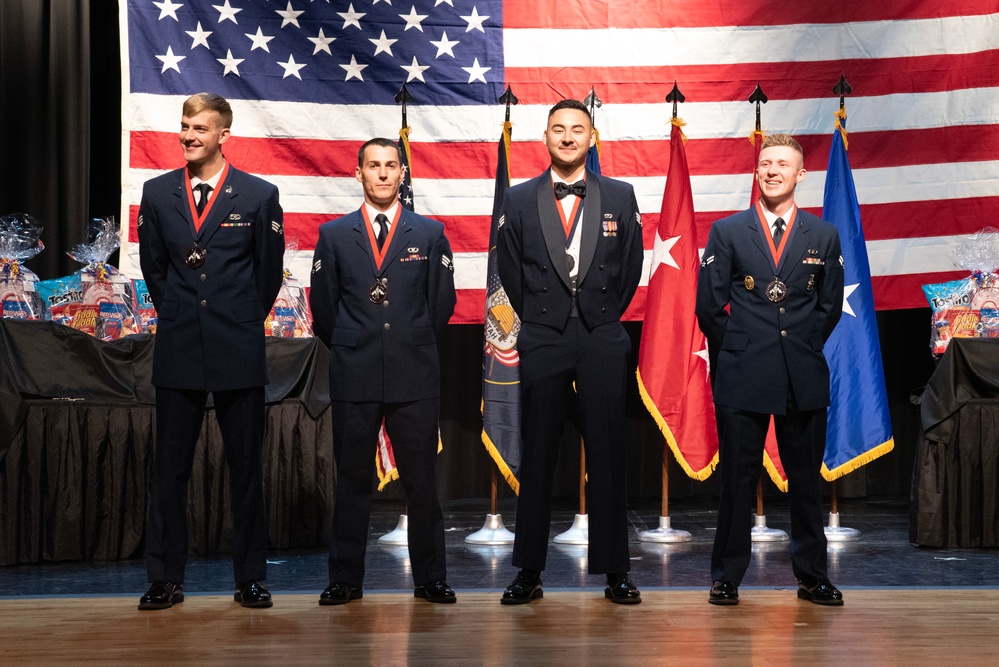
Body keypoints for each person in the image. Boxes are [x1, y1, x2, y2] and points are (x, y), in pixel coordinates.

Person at [137, 93, 285, 610]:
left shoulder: (259, 195)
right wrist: (182, 316)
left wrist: (237, 320)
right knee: (170, 471)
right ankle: (164, 578)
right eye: (184, 126)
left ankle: (249, 578)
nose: (188, 135)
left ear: (225, 135)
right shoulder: (156, 195)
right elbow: (155, 271)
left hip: (237, 348)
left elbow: (266, 277)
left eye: (200, 128)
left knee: (245, 470)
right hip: (179, 348)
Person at [496, 99, 645, 605]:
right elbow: (512, 274)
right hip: (542, 335)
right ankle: (528, 572)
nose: (567, 137)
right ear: (544, 137)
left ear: (592, 136)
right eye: (558, 129)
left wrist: (600, 318)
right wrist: (544, 319)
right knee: (536, 454)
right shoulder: (517, 200)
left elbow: (629, 270)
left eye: (576, 129)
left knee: (607, 452)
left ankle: (616, 573)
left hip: (602, 336)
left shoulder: (622, 196)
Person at [695, 133, 845, 606]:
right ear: (756, 173)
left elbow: (829, 308)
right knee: (737, 482)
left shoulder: (823, 236)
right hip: (743, 373)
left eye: (782, 164)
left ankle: (812, 576)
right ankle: (726, 576)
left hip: (802, 374)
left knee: (805, 482)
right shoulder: (729, 231)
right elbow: (708, 306)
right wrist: (739, 350)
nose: (772, 171)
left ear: (801, 174)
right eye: (765, 164)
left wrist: (798, 347)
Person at [309, 138, 457, 605]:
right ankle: (345, 579)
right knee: (353, 480)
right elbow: (325, 310)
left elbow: (441, 305)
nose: (383, 174)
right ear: (358, 173)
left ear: (402, 173)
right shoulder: (333, 235)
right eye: (373, 166)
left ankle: (430, 578)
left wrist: (404, 342)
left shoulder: (429, 234)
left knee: (422, 483)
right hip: (355, 370)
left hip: (414, 372)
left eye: (391, 166)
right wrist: (358, 344)